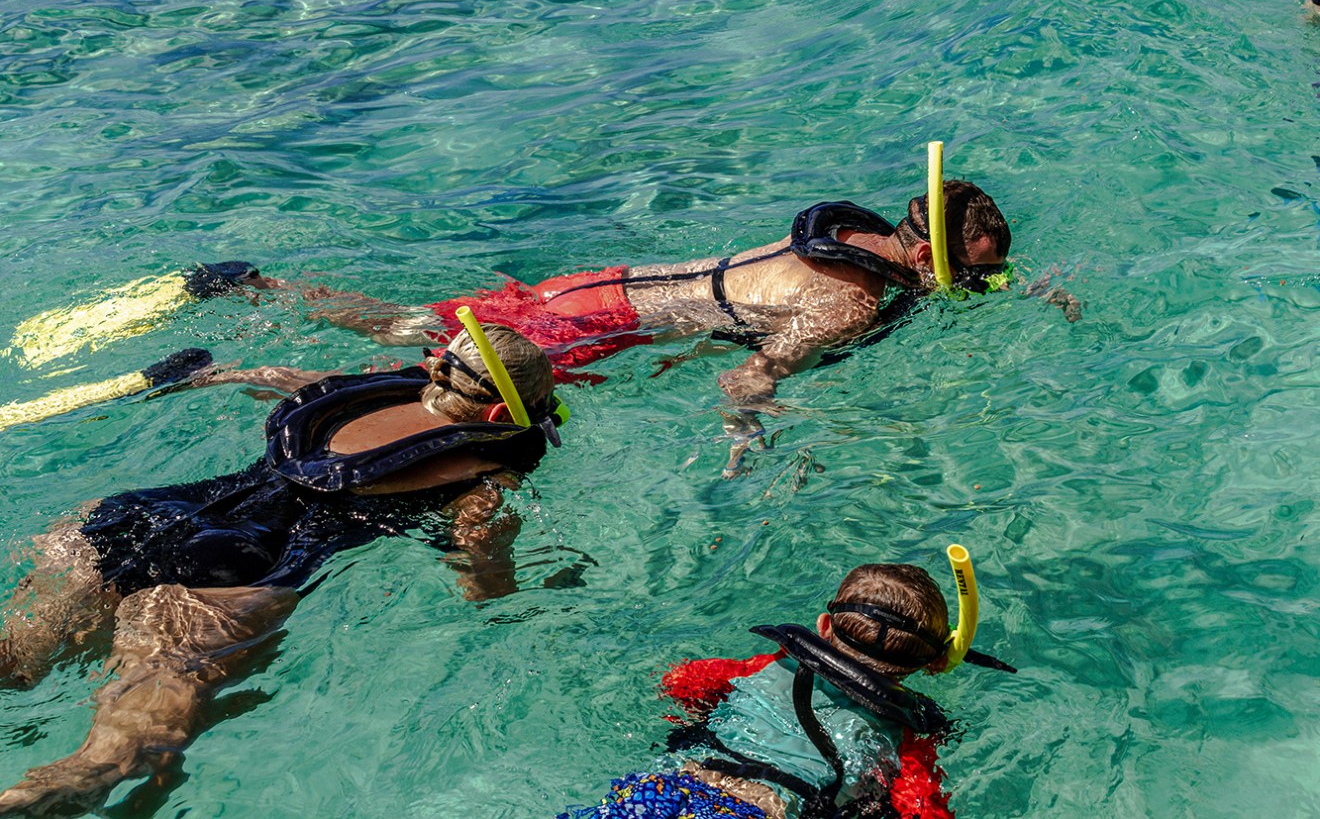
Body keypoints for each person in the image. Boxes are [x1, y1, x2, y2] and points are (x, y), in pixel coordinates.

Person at [0, 324, 564, 817]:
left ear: (437, 368)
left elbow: (276, 378)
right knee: (132, 728)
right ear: (499, 416)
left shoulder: (361, 394)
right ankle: (57, 788)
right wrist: (519, 598)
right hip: (238, 564)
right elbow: (480, 578)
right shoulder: (485, 473)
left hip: (143, 515)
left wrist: (209, 375)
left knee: (20, 651)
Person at [252, 181, 1014, 474]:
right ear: (926, 255)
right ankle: (253, 377)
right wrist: (749, 433)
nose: (968, 285)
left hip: (594, 287)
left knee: (402, 325)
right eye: (967, 273)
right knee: (425, 388)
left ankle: (257, 288)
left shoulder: (851, 235)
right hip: (600, 329)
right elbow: (746, 376)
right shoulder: (848, 303)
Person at [557, 554, 1013, 819]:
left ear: (823, 627)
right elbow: (923, 810)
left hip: (668, 785)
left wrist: (695, 714)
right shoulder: (907, 736)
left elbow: (679, 682)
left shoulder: (762, 666)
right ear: (935, 663)